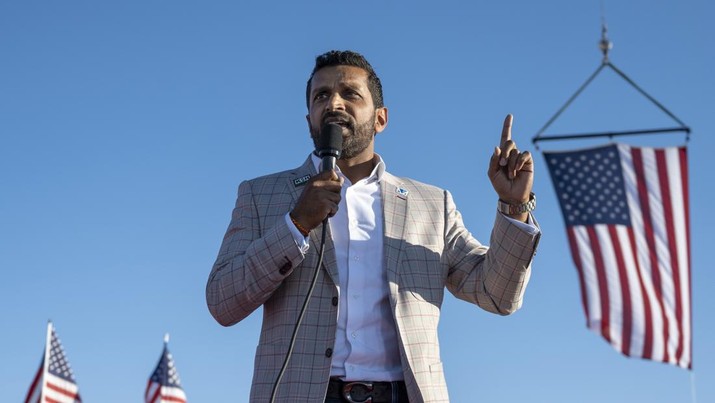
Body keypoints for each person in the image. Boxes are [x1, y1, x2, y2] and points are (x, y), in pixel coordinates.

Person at [206, 50, 541, 403]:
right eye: (321, 96)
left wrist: (514, 207)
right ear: (309, 121)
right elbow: (222, 302)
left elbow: (497, 294)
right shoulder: (261, 196)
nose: (334, 103)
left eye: (350, 93)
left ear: (380, 118)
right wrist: (296, 225)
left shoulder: (432, 204)